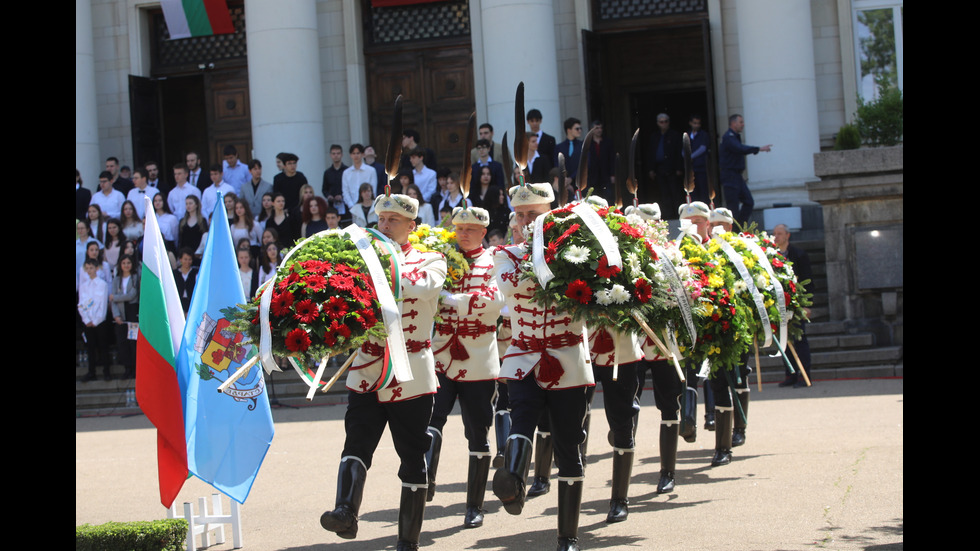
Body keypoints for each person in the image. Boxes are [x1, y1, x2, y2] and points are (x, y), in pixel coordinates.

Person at [320, 190, 447, 551]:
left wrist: (372, 268)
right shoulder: (361, 257)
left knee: (412, 453)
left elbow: (419, 287)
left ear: (412, 225)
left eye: (393, 221)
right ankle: (345, 511)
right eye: (381, 219)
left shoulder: (431, 259)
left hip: (411, 372)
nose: (385, 226)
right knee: (356, 441)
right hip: (368, 367)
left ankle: (408, 539)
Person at [491, 181, 593, 551]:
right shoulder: (505, 255)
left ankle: (567, 536)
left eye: (533, 214)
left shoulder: (579, 252)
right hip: (522, 356)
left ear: (551, 213)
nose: (524, 221)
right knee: (521, 418)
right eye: (519, 215)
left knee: (569, 446)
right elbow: (514, 287)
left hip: (568, 360)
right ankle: (512, 482)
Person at [426, 204, 503, 529]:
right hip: (443, 353)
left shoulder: (494, 261)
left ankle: (475, 505)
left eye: (470, 229)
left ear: (483, 232)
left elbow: (497, 300)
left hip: (478, 358)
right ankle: (425, 478)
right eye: (459, 229)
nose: (463, 234)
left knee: (478, 432)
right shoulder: (442, 258)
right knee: (431, 420)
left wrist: (459, 301)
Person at [773, 223, 813, 388]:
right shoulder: (771, 255)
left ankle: (804, 375)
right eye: (774, 234)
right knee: (784, 340)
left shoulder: (799, 254)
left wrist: (807, 305)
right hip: (778, 304)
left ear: (787, 235)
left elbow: (808, 280)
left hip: (796, 303)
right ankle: (790, 374)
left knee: (799, 339)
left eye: (780, 234)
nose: (776, 237)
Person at [719, 114, 772, 227]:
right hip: (730, 176)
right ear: (733, 123)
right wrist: (759, 149)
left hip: (737, 176)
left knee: (748, 202)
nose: (743, 125)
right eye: (741, 122)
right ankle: (733, 231)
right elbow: (739, 149)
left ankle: (739, 228)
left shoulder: (734, 136)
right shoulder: (728, 137)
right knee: (733, 207)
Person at [79, 258, 112, 382]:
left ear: (97, 268)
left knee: (103, 346)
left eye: (91, 268)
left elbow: (103, 304)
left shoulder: (102, 284)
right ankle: (91, 372)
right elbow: (81, 304)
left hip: (100, 321)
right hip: (88, 322)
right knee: (90, 347)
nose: (89, 271)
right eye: (87, 268)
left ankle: (106, 372)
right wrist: (86, 319)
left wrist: (97, 320)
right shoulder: (84, 286)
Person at [646, 113, 683, 215]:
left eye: (666, 122)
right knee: (663, 193)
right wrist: (651, 169)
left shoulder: (675, 135)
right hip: (660, 168)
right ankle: (668, 215)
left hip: (672, 169)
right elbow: (651, 153)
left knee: (675, 193)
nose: (664, 124)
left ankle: (677, 215)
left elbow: (679, 153)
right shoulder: (654, 136)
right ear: (658, 123)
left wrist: (679, 168)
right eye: (661, 122)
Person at [110, 254, 140, 379]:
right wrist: (116, 315)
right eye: (124, 263)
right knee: (122, 343)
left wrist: (115, 297)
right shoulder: (116, 279)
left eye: (128, 263)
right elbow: (112, 301)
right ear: (120, 265)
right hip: (121, 314)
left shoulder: (135, 278)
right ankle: (127, 368)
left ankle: (135, 369)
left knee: (133, 342)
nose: (126, 265)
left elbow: (132, 295)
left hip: (132, 312)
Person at [342, 143, 378, 219]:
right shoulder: (346, 173)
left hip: (370, 206)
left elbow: (373, 189)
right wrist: (351, 206)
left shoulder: (371, 170)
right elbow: (345, 191)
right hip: (353, 208)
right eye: (353, 153)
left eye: (358, 153)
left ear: (363, 154)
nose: (356, 156)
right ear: (350, 155)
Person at [586, 120, 616, 203]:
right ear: (592, 129)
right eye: (597, 128)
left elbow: (612, 159)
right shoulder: (588, 143)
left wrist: (613, 174)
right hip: (592, 176)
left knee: (608, 197)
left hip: (605, 175)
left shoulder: (607, 142)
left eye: (601, 128)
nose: (599, 130)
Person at [688, 114, 711, 205]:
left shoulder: (703, 135)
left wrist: (690, 156)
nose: (696, 125)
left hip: (701, 167)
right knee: (693, 192)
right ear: (690, 123)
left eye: (698, 123)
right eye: (694, 123)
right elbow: (683, 148)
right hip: (691, 169)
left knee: (703, 191)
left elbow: (703, 148)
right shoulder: (687, 135)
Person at [554, 118, 583, 189]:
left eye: (580, 128)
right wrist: (564, 178)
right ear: (569, 130)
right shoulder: (559, 147)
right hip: (564, 183)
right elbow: (557, 164)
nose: (579, 131)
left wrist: (571, 178)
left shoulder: (583, 146)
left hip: (580, 182)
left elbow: (585, 164)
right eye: (577, 129)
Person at [178, 195, 208, 261]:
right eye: (186, 204)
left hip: (198, 255)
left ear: (196, 205)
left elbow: (205, 239)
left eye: (190, 203)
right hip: (185, 256)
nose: (188, 206)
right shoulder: (182, 221)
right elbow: (180, 240)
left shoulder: (202, 221)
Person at [323, 144, 348, 216]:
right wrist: (328, 196)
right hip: (332, 205)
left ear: (342, 154)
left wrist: (342, 196)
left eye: (338, 153)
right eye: (333, 153)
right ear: (330, 155)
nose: (336, 155)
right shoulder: (327, 172)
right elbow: (324, 189)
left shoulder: (347, 171)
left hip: (345, 204)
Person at [173, 248, 198, 315]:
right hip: (178, 303)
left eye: (190, 259)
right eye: (185, 259)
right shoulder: (174, 273)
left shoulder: (196, 273)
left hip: (191, 303)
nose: (187, 262)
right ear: (180, 259)